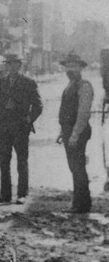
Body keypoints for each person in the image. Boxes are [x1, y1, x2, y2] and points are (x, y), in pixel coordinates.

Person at [0, 53, 42, 205]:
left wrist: (28, 120)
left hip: (20, 127)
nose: (10, 66)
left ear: (19, 65)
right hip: (3, 127)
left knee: (21, 161)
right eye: (8, 64)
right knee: (4, 161)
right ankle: (5, 194)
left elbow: (38, 106)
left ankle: (22, 194)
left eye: (13, 64)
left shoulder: (28, 82)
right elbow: (0, 104)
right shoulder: (3, 81)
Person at [57, 53, 93, 214]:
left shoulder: (84, 86)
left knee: (78, 167)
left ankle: (82, 204)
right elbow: (67, 111)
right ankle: (79, 202)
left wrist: (75, 134)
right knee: (74, 167)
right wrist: (61, 131)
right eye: (68, 66)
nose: (70, 70)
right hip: (68, 131)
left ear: (80, 68)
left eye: (73, 66)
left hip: (77, 133)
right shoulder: (70, 85)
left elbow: (83, 113)